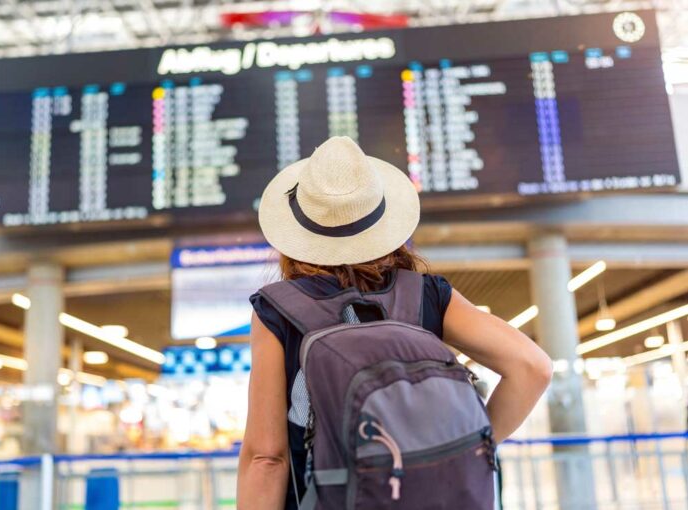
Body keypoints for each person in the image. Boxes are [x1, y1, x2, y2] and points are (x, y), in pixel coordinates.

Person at [236, 137, 552, 509]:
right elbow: (533, 366)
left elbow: (267, 457)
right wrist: (460, 449)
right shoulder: (427, 295)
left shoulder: (279, 310)